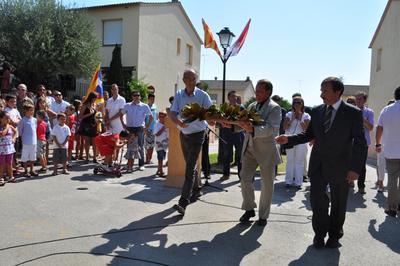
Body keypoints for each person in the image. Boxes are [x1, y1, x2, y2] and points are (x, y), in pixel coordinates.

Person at [276, 77, 366, 248]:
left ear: (337, 92)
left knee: (339, 203)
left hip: (341, 166)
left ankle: (334, 235)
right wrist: (288, 139)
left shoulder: (353, 113)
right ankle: (319, 234)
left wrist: (355, 169)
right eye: (321, 90)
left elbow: (360, 143)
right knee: (317, 201)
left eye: (325, 91)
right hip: (318, 165)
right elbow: (308, 135)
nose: (321, 94)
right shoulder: (317, 111)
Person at [236, 79, 281, 227]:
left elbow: (271, 129)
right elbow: (243, 124)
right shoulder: (252, 106)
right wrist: (231, 124)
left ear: (268, 92)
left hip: (266, 150)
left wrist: (253, 129)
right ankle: (249, 208)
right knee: (244, 178)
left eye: (260, 91)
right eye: (256, 90)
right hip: (249, 147)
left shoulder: (274, 108)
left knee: (267, 184)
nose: (257, 93)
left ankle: (263, 216)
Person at [169, 69, 213, 215]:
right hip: (184, 134)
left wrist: (213, 119)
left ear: (196, 79)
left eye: (193, 78)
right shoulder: (179, 95)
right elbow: (173, 113)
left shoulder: (203, 95)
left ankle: (183, 202)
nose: (190, 81)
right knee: (190, 164)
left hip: (198, 134)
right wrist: (178, 123)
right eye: (187, 78)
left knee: (189, 168)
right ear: (183, 80)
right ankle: (196, 188)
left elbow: (210, 113)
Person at [375, 87, 400, 217]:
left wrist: (378, 144)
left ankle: (391, 208)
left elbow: (379, 128)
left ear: (395, 96)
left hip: (391, 152)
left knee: (392, 180)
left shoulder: (387, 109)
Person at [122, 90, 153, 171]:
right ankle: (129, 164)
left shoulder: (144, 106)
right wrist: (123, 124)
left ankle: (141, 164)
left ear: (140, 96)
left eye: (138, 95)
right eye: (135, 95)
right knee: (129, 147)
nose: (136, 97)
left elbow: (151, 117)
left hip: (140, 128)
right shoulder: (127, 105)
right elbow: (121, 114)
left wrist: (147, 127)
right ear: (132, 96)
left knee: (140, 146)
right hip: (130, 128)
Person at [283, 97, 310, 189]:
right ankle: (288, 181)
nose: (297, 104)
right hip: (289, 139)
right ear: (293, 104)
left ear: (302, 104)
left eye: (299, 102)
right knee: (290, 160)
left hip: (301, 140)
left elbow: (307, 129)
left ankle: (298, 182)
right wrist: (292, 119)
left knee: (299, 161)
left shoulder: (306, 116)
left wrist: (300, 118)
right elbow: (285, 127)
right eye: (295, 102)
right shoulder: (288, 114)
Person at [220, 91, 245, 181]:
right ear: (228, 98)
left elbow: (244, 120)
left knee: (239, 155)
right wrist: (222, 123)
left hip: (238, 134)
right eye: (233, 96)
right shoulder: (225, 107)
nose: (235, 98)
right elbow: (220, 118)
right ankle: (226, 174)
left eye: (236, 96)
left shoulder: (241, 108)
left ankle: (241, 175)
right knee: (226, 154)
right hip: (227, 134)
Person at [355, 91, 374, 194]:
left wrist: (362, 119)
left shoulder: (369, 112)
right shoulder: (350, 111)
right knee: (347, 162)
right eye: (356, 99)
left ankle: (361, 186)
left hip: (364, 142)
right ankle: (348, 182)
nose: (357, 101)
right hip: (351, 141)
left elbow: (371, 127)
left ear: (364, 100)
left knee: (362, 165)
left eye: (360, 99)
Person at [375, 99, 395, 193]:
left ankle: (390, 187)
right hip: (383, 146)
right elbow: (378, 128)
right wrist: (378, 144)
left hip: (391, 147)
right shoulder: (385, 113)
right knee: (381, 165)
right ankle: (380, 184)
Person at [17, 104, 38, 177]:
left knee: (33, 156)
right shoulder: (23, 120)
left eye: (33, 110)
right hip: (26, 142)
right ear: (26, 111)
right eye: (30, 110)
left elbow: (35, 129)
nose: (32, 111)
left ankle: (32, 170)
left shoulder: (35, 120)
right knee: (25, 157)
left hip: (34, 141)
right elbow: (20, 132)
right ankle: (25, 170)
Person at [78, 92, 98, 163]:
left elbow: (95, 114)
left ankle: (94, 158)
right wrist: (90, 114)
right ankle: (87, 157)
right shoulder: (85, 105)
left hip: (94, 124)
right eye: (95, 98)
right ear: (91, 97)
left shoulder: (94, 104)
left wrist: (98, 118)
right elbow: (80, 116)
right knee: (87, 141)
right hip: (86, 124)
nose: (95, 99)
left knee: (94, 141)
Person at [0, 111, 17, 185]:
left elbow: (15, 132)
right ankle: (1, 178)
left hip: (9, 148)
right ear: (1, 118)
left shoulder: (10, 126)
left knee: (9, 163)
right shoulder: (4, 127)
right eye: (6, 118)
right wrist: (7, 126)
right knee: (1, 164)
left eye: (9, 118)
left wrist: (14, 139)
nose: (8, 119)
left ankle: (10, 176)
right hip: (1, 149)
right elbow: (2, 134)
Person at [154, 110, 169, 177]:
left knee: (162, 157)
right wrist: (163, 127)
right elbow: (157, 134)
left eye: (164, 117)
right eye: (161, 117)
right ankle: (161, 172)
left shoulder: (167, 124)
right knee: (160, 158)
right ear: (159, 117)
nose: (162, 118)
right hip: (159, 143)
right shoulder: (157, 124)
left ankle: (158, 170)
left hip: (165, 144)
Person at [145, 93, 158, 164]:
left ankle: (149, 159)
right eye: (151, 99)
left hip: (154, 129)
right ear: (148, 99)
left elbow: (156, 117)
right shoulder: (146, 107)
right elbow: (144, 118)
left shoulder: (155, 106)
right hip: (148, 129)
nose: (152, 100)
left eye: (153, 99)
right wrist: (145, 129)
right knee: (147, 145)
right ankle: (147, 159)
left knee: (152, 145)